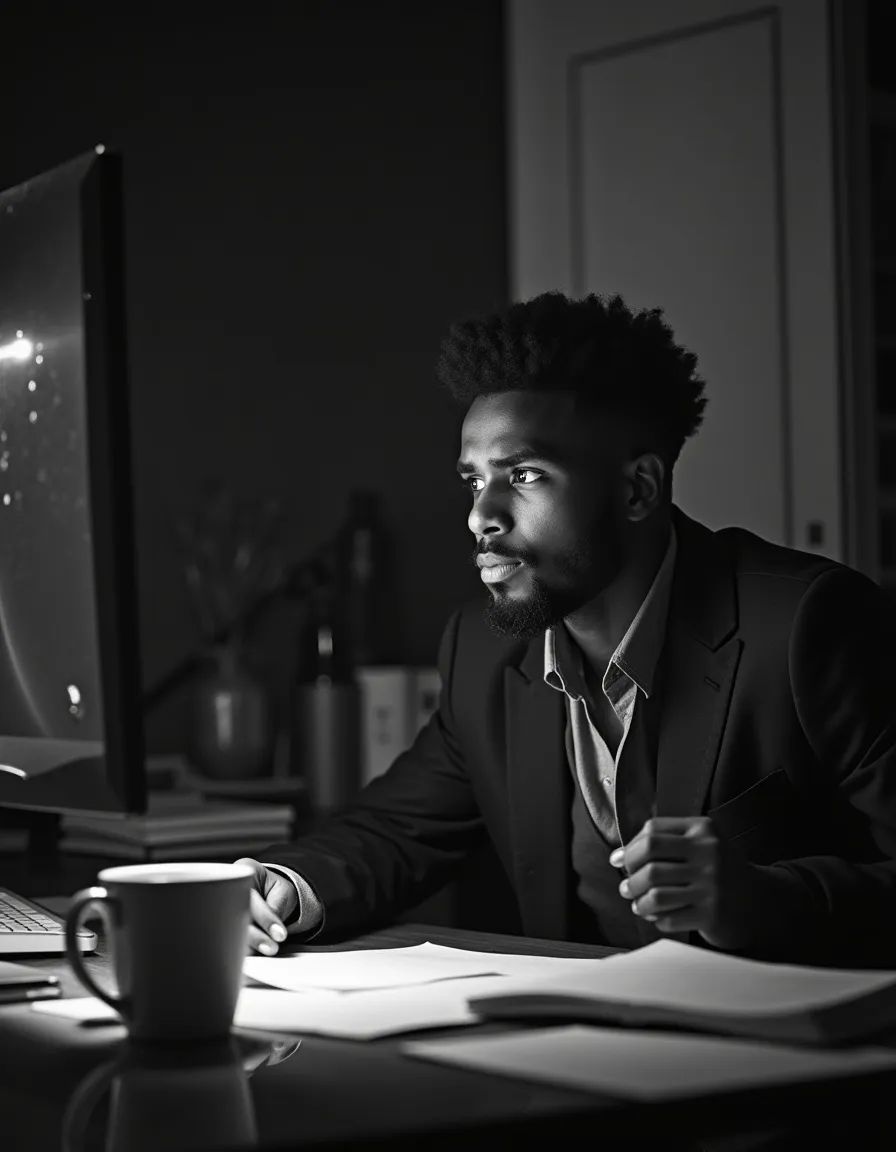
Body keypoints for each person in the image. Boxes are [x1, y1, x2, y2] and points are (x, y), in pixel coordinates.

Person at [238, 291, 896, 970]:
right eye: (474, 482)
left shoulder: (808, 625)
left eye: (523, 475)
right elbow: (398, 830)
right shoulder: (483, 651)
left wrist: (764, 899)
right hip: (579, 1052)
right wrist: (282, 886)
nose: (480, 517)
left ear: (638, 489)